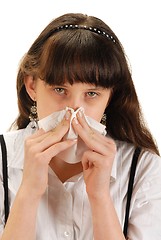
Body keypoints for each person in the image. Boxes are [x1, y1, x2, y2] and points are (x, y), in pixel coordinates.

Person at [0, 12, 161, 240]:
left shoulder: (144, 169)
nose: (74, 110)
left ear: (110, 98)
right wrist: (28, 193)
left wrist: (100, 197)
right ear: (32, 86)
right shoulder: (2, 159)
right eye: (59, 90)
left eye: (92, 94)